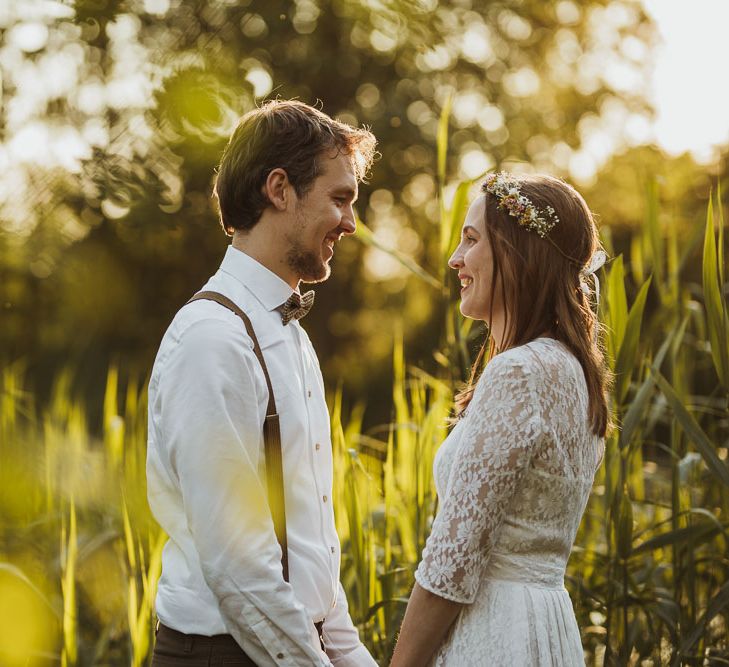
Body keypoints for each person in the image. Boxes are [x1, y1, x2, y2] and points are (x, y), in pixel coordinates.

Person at [146, 100, 378, 666]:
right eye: (340, 198)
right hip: (221, 653)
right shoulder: (212, 340)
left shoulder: (291, 334)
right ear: (280, 189)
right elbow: (238, 565)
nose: (350, 222)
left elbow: (309, 557)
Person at [390, 172, 610, 666]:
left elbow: (451, 566)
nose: (455, 259)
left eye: (471, 239)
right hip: (547, 622)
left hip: (496, 630)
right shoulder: (573, 369)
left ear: (517, 251)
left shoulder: (518, 372)